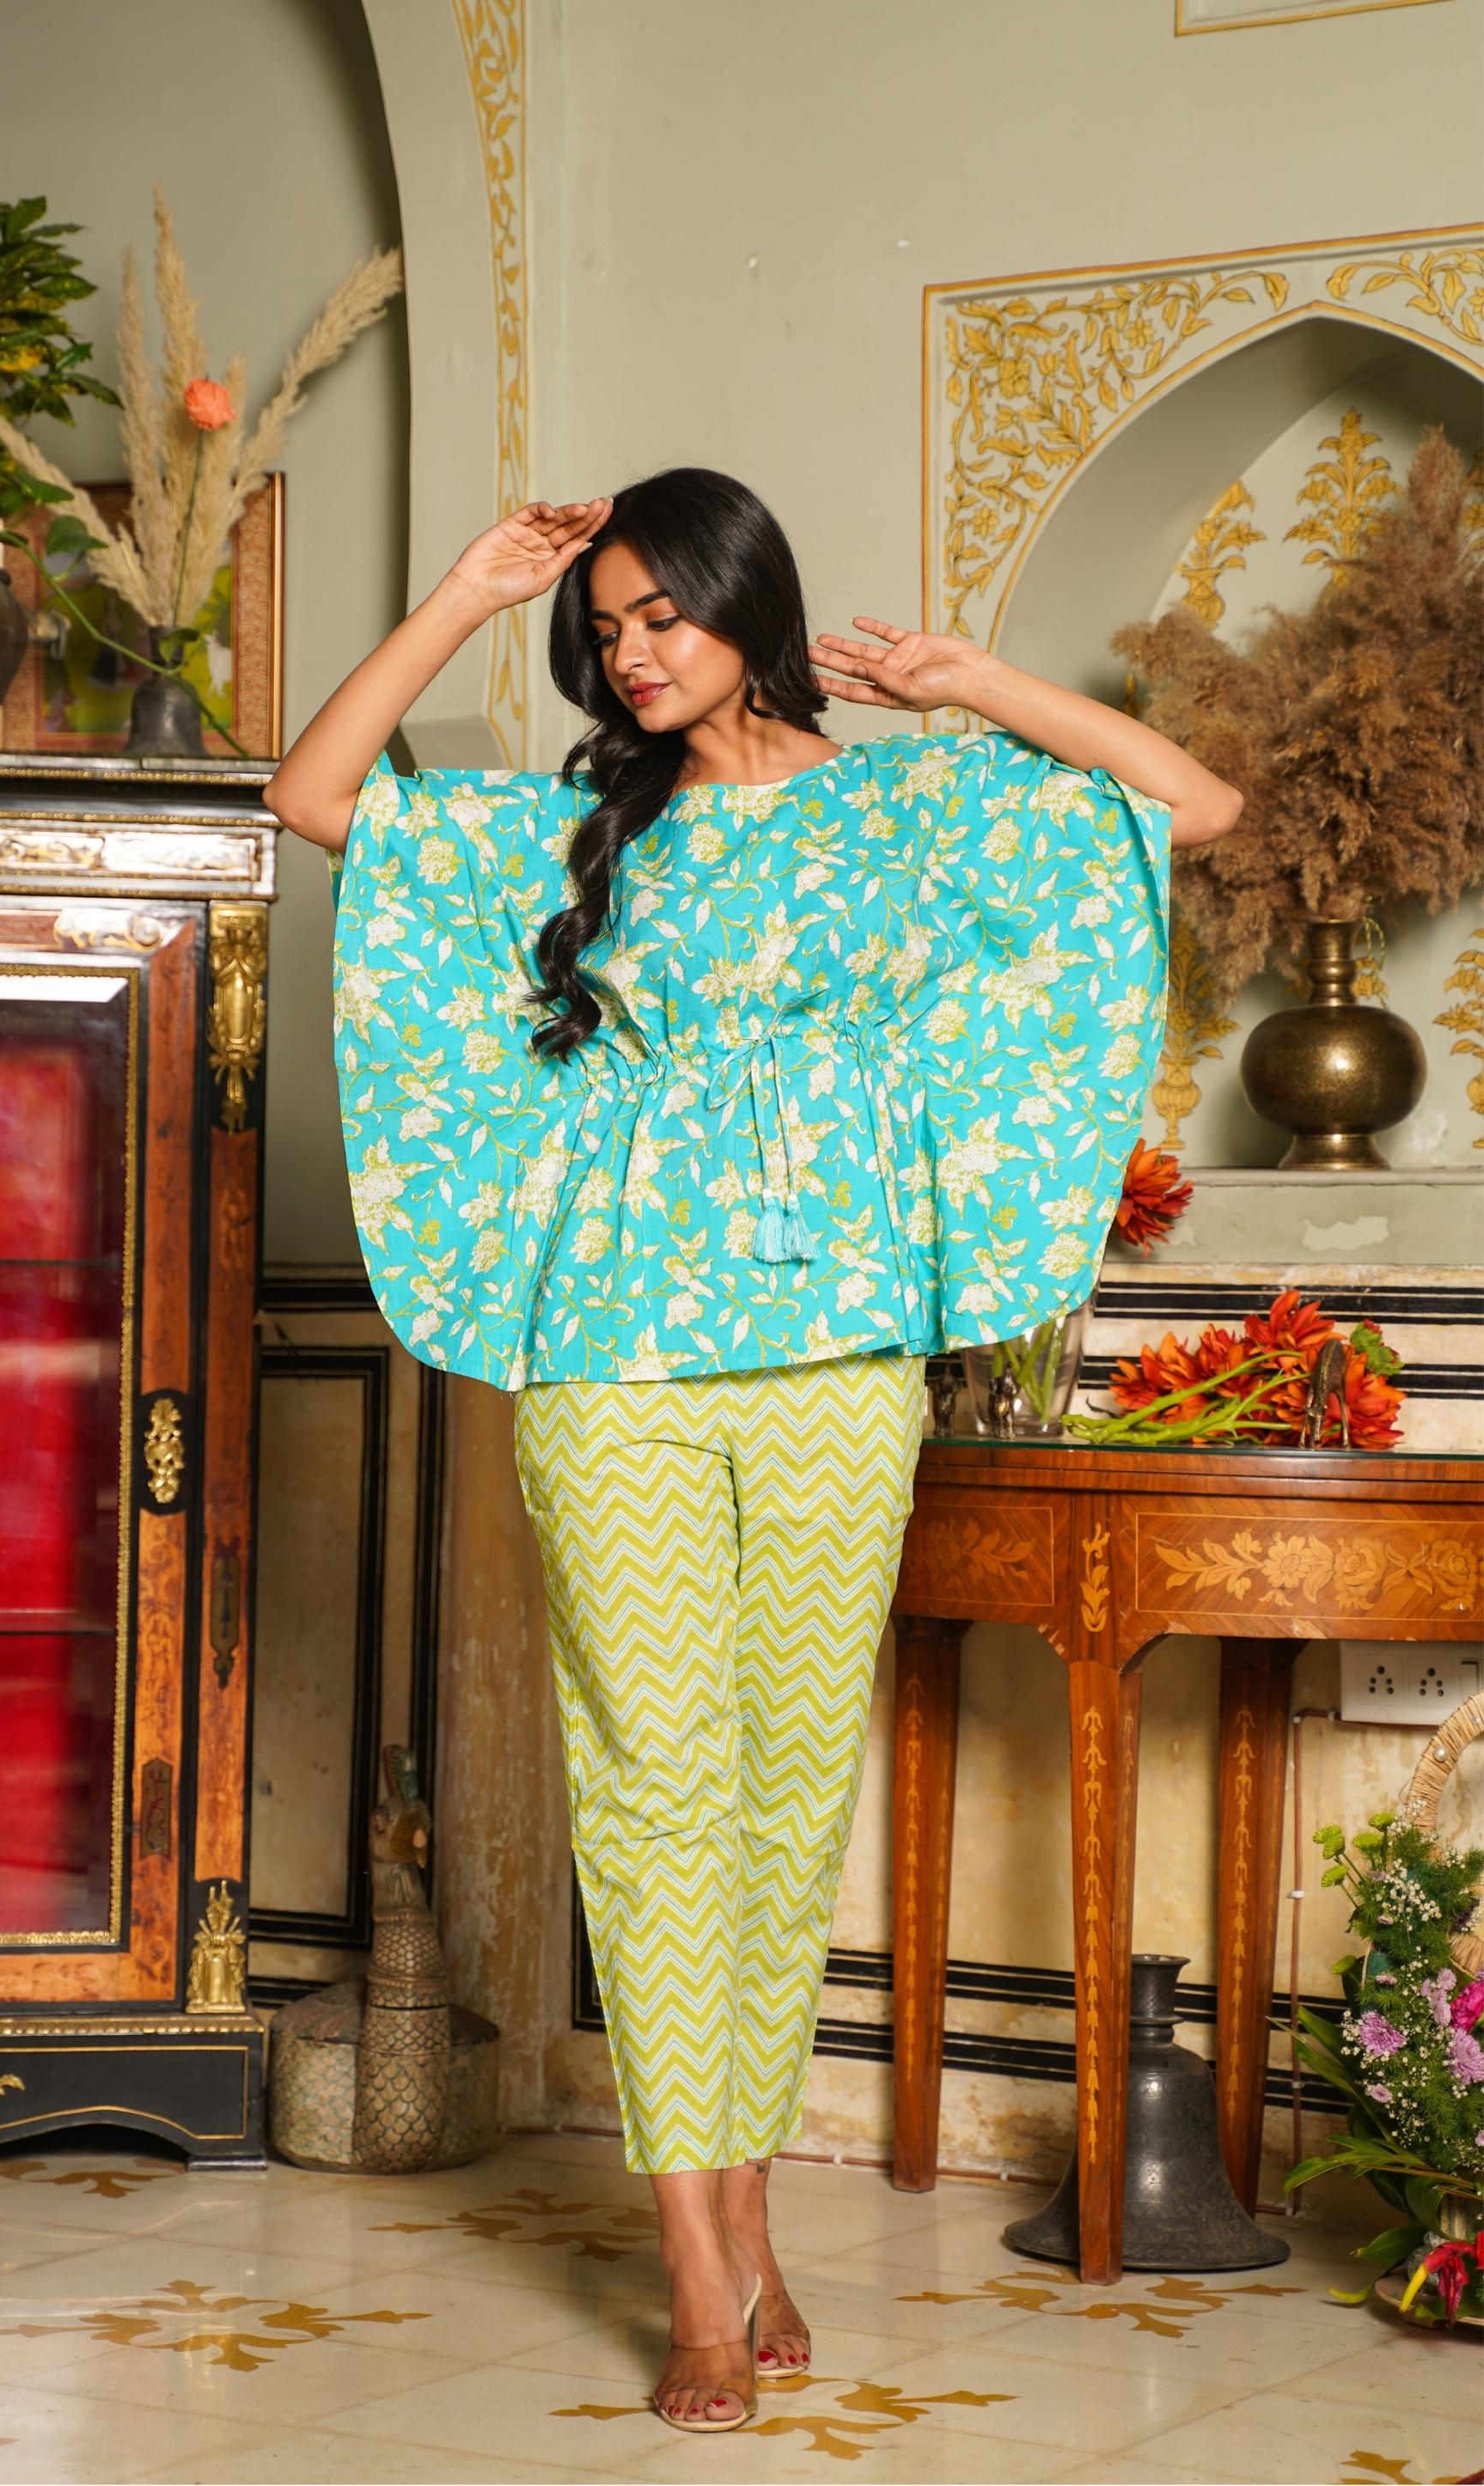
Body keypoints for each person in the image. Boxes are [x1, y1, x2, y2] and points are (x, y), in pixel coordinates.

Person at [264, 467, 1243, 2433]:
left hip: (837, 1352)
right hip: (610, 1354)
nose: (629, 654)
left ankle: (748, 2206)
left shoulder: (905, 804)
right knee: (653, 1781)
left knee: (787, 1790)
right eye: (603, 627)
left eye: (660, 615)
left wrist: (976, 684)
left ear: (745, 603)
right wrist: (465, 595)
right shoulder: (578, 828)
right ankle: (697, 2274)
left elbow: (1191, 805)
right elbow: (314, 795)